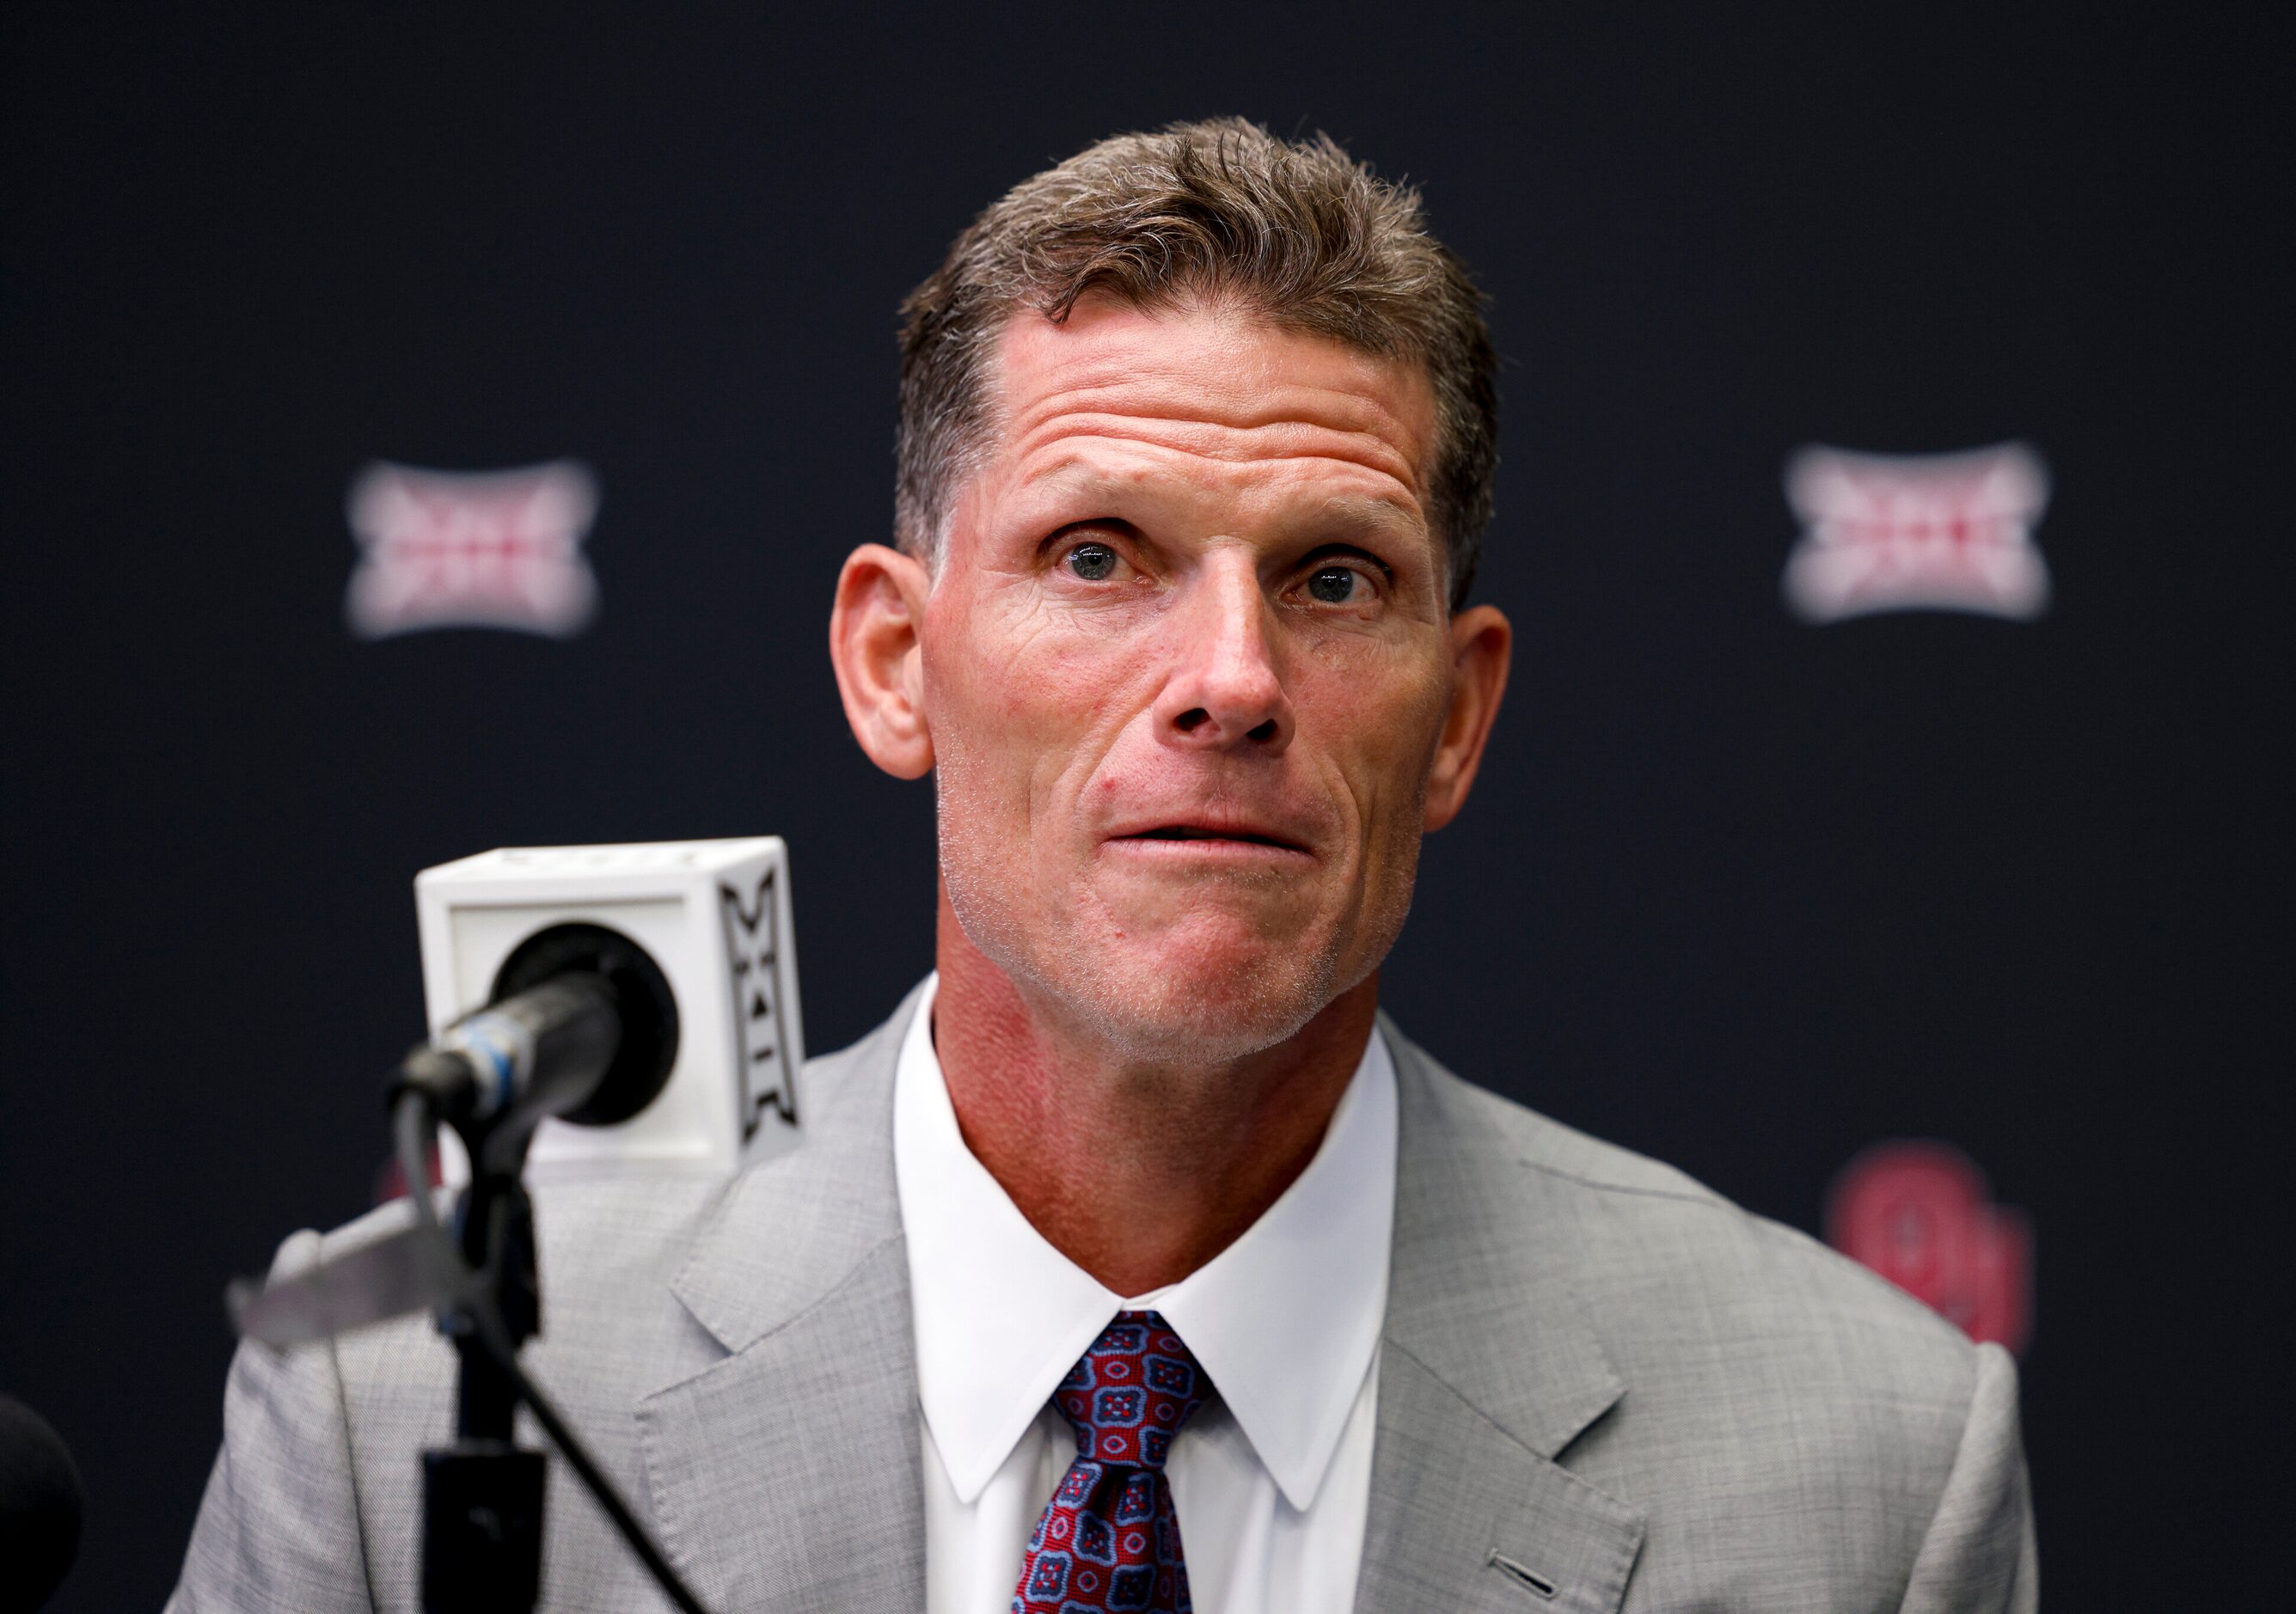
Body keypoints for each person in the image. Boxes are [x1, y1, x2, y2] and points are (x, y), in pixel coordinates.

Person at [172, 119, 2036, 1613]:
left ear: (1456, 718)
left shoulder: (1863, 1473)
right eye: (1097, 555)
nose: (1230, 680)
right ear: (894, 661)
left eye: (1333, 578)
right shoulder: (408, 1393)